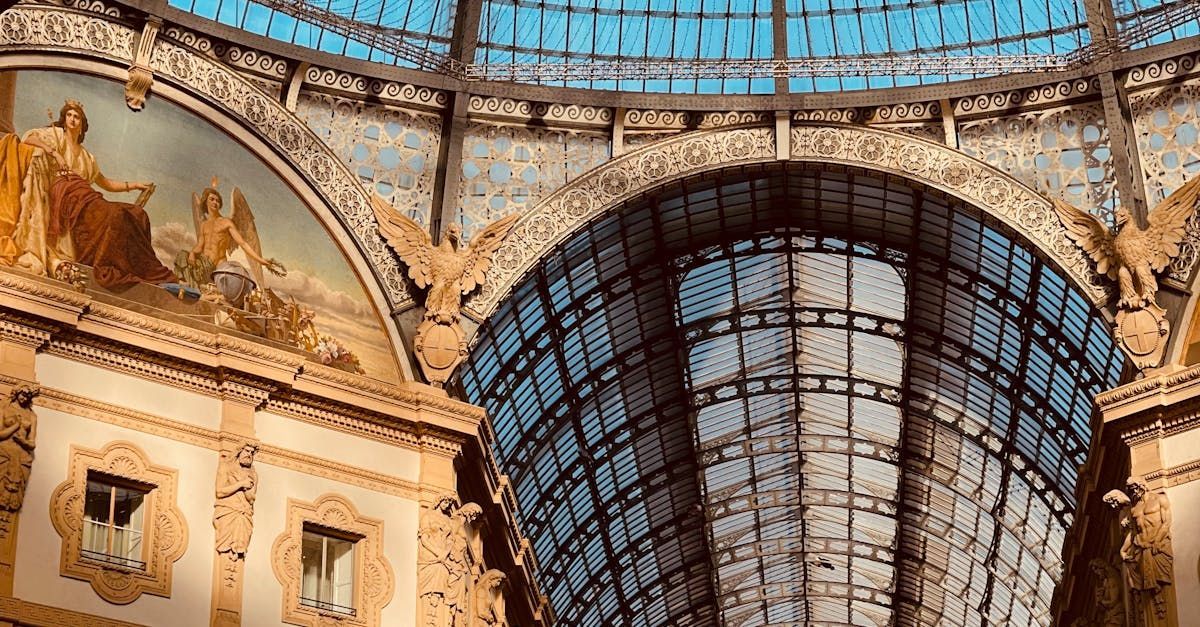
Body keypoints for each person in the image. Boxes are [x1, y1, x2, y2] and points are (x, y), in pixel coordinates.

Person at [17, 100, 175, 289]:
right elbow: (28, 138)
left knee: (137, 214)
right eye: (69, 115)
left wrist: (134, 185)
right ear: (63, 118)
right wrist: (54, 153)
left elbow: (105, 183)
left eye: (77, 117)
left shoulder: (87, 157)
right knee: (115, 215)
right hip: (68, 198)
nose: (72, 120)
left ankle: (143, 269)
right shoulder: (55, 136)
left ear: (83, 124)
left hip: (86, 198)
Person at [213, 442, 257, 558]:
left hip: (244, 514)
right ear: (239, 451)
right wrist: (241, 483)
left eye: (252, 453)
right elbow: (220, 492)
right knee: (224, 547)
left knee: (240, 547)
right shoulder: (225, 467)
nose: (249, 455)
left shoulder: (253, 474)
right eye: (247, 451)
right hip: (228, 511)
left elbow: (251, 499)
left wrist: (246, 488)